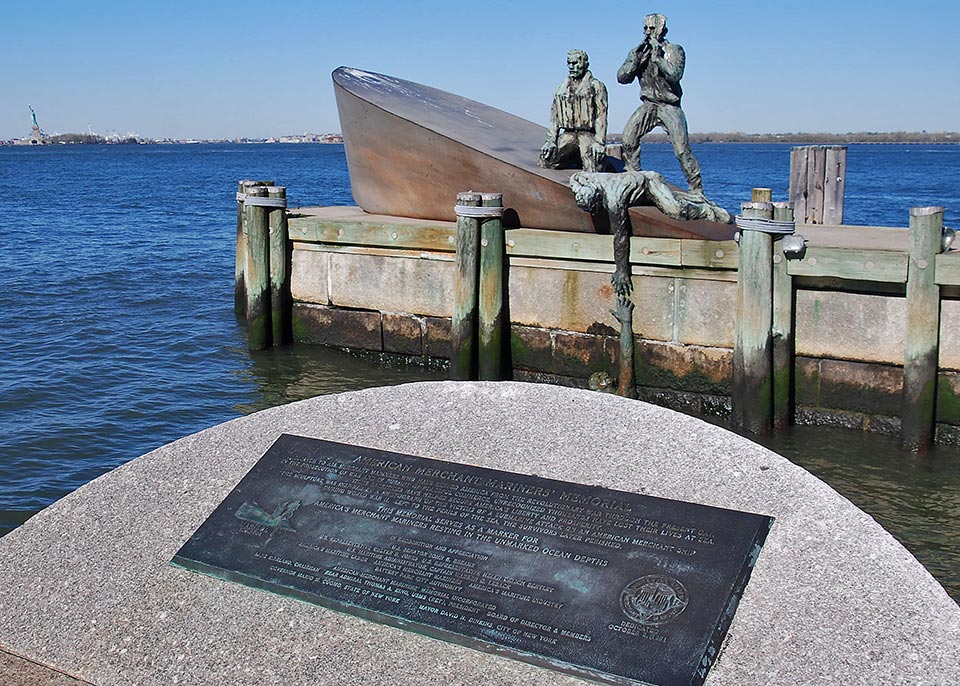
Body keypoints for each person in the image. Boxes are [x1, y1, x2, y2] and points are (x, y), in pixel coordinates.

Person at [617, 14, 703, 193]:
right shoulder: (638, 52)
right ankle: (634, 177)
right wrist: (635, 61)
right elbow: (622, 78)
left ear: (662, 30)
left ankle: (696, 188)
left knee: (681, 150)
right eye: (645, 28)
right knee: (628, 139)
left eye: (652, 28)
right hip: (649, 104)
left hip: (670, 106)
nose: (647, 32)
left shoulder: (675, 50)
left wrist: (658, 59)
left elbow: (675, 75)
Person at [539, 50, 608, 172]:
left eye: (575, 63)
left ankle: (584, 158)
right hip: (568, 134)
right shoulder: (561, 89)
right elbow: (554, 115)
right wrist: (550, 140)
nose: (572, 66)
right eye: (569, 63)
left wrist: (599, 141)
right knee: (547, 159)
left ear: (585, 64)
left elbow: (601, 115)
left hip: (587, 134)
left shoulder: (596, 86)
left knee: (594, 165)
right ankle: (573, 157)